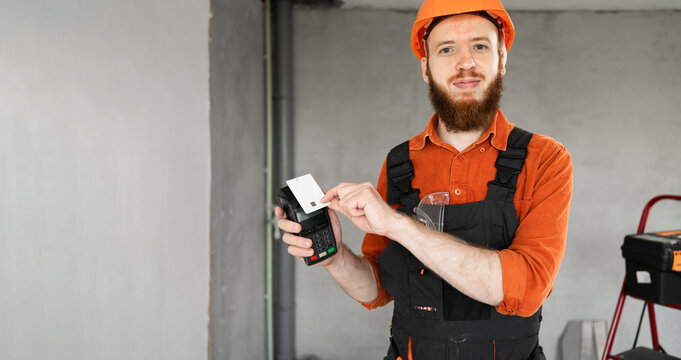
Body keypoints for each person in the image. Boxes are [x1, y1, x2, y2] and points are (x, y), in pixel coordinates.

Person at [276, 0, 573, 358]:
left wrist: (398, 225)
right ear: (426, 68)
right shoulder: (400, 162)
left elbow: (526, 290)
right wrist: (336, 257)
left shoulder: (544, 159)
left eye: (480, 46)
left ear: (502, 57)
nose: (466, 63)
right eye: (447, 49)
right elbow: (378, 290)